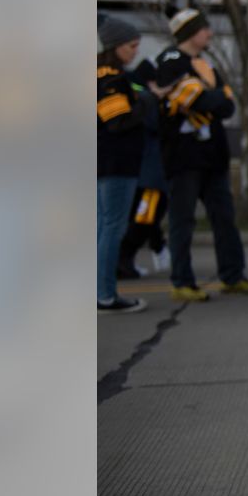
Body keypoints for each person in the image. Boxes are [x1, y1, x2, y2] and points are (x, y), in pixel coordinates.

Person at [157, 8, 248, 302]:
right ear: (190, 33)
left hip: (213, 156)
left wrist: (202, 95)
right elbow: (197, 100)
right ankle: (182, 281)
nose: (210, 33)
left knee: (224, 218)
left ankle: (233, 275)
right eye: (204, 29)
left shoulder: (205, 65)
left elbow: (226, 105)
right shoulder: (170, 61)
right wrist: (204, 97)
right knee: (183, 220)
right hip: (183, 156)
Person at [97, 17, 149, 314]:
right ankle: (104, 295)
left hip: (109, 164)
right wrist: (146, 100)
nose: (135, 51)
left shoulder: (109, 76)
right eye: (131, 46)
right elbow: (117, 122)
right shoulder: (110, 78)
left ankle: (102, 292)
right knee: (111, 228)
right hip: (115, 165)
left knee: (105, 227)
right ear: (114, 46)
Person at [116, 55, 171, 279]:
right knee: (145, 216)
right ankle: (123, 260)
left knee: (147, 216)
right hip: (150, 172)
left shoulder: (136, 93)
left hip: (147, 171)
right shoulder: (144, 98)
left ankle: (128, 257)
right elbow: (155, 126)